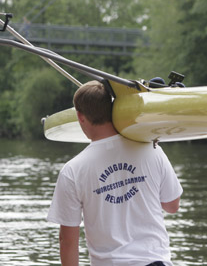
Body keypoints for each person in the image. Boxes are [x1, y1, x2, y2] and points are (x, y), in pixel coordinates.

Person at [47, 80, 183, 266]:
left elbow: (68, 241)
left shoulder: (72, 171)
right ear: (112, 110)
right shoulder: (151, 148)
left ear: (80, 117)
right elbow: (172, 205)